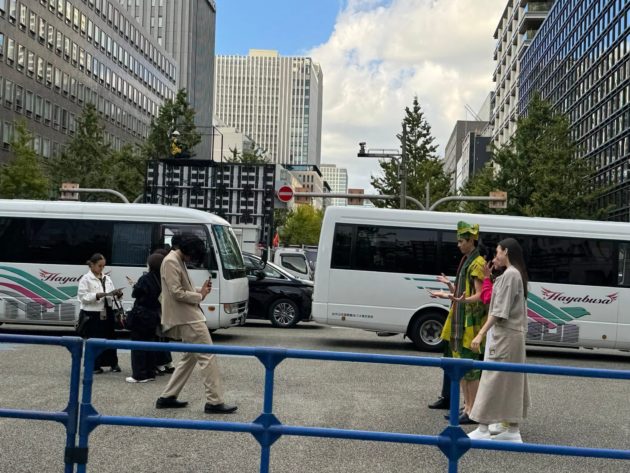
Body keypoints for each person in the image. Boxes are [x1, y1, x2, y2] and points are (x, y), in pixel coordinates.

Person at [155, 233, 237, 414]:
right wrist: (199, 295)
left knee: (190, 357)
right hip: (188, 317)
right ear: (187, 250)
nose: (192, 259)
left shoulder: (175, 259)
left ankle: (167, 396)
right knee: (208, 356)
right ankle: (214, 401)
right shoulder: (171, 261)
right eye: (192, 255)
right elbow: (176, 292)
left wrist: (200, 292)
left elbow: (179, 290)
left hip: (187, 316)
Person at [468, 238, 530, 442]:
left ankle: (483, 427)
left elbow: (498, 311)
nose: (496, 256)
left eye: (497, 252)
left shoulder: (511, 274)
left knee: (491, 379)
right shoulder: (516, 274)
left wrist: (480, 333)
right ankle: (512, 429)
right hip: (514, 336)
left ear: (506, 251)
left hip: (505, 335)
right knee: (512, 382)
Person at [429, 221, 488, 424]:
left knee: (470, 370)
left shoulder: (477, 263)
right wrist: (448, 288)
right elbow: (462, 293)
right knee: (461, 369)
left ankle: (473, 410)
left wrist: (457, 299)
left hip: (470, 324)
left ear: (471, 241)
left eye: (462, 241)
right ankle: (467, 407)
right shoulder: (467, 261)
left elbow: (480, 296)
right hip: (460, 321)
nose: (459, 245)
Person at [77, 253, 123, 374]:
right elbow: (82, 297)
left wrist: (117, 295)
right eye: (99, 266)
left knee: (111, 338)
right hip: (93, 313)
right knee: (95, 339)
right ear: (92, 265)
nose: (102, 268)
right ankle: (94, 365)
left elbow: (112, 295)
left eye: (103, 266)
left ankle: (113, 363)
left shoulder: (107, 278)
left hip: (107, 311)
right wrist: (96, 295)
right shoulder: (85, 279)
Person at [125, 253, 165, 383]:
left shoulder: (146, 278)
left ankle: (139, 374)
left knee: (138, 344)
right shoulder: (162, 278)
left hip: (141, 314)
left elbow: (136, 293)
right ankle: (150, 372)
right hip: (154, 314)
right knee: (150, 343)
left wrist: (135, 286)